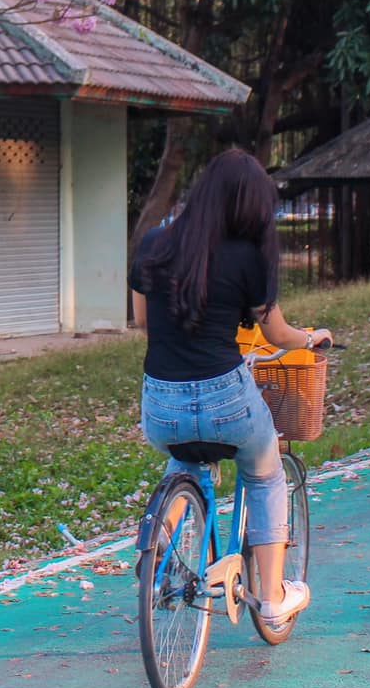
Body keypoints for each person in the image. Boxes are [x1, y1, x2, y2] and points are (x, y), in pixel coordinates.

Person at [129, 148, 331, 624]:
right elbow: (277, 335)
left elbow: (143, 322)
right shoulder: (247, 258)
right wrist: (312, 338)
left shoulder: (154, 243)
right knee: (265, 475)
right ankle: (274, 597)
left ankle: (157, 541)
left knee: (186, 455)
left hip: (160, 406)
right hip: (226, 399)